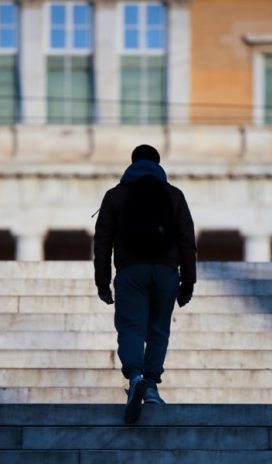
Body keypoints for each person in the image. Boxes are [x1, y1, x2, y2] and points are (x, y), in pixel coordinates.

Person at [93, 144, 197, 424]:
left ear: (132, 163)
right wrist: (188, 282)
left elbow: (102, 241)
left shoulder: (116, 195)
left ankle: (135, 375)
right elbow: (188, 240)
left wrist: (102, 282)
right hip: (165, 272)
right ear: (158, 164)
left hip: (131, 271)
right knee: (158, 330)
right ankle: (151, 385)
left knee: (131, 327)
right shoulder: (173, 195)